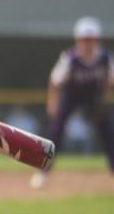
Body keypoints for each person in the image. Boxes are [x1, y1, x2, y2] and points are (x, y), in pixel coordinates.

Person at [30, 16, 114, 188]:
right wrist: (52, 104)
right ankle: (44, 171)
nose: (87, 44)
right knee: (56, 130)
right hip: (71, 95)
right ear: (78, 40)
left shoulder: (106, 58)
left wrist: (105, 96)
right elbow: (54, 82)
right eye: (84, 40)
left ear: (97, 40)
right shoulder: (70, 58)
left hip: (94, 97)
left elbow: (111, 81)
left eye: (91, 40)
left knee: (108, 132)